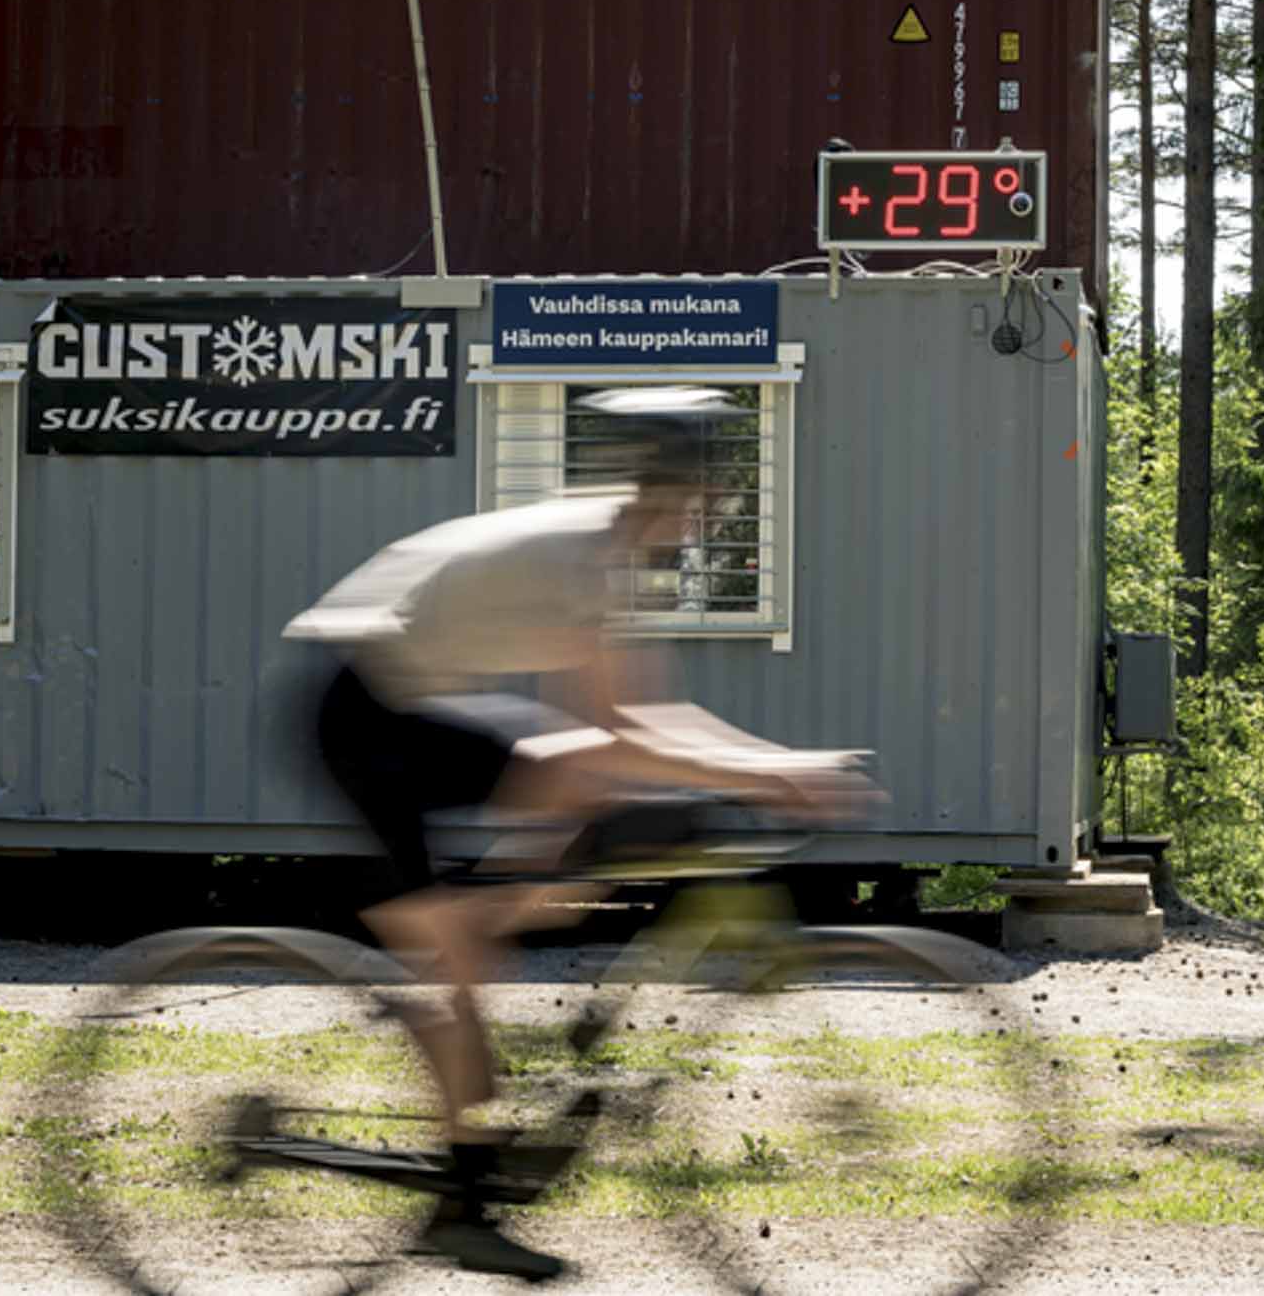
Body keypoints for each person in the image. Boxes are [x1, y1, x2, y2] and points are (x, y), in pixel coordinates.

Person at [282, 387, 876, 1282]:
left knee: (566, 770)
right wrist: (775, 771)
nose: (708, 518)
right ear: (669, 496)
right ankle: (460, 1202)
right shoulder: (584, 557)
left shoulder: (605, 548)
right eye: (704, 503)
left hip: (407, 696)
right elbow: (631, 726)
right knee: (461, 957)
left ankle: (488, 952)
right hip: (359, 711)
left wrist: (766, 766)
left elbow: (639, 719)